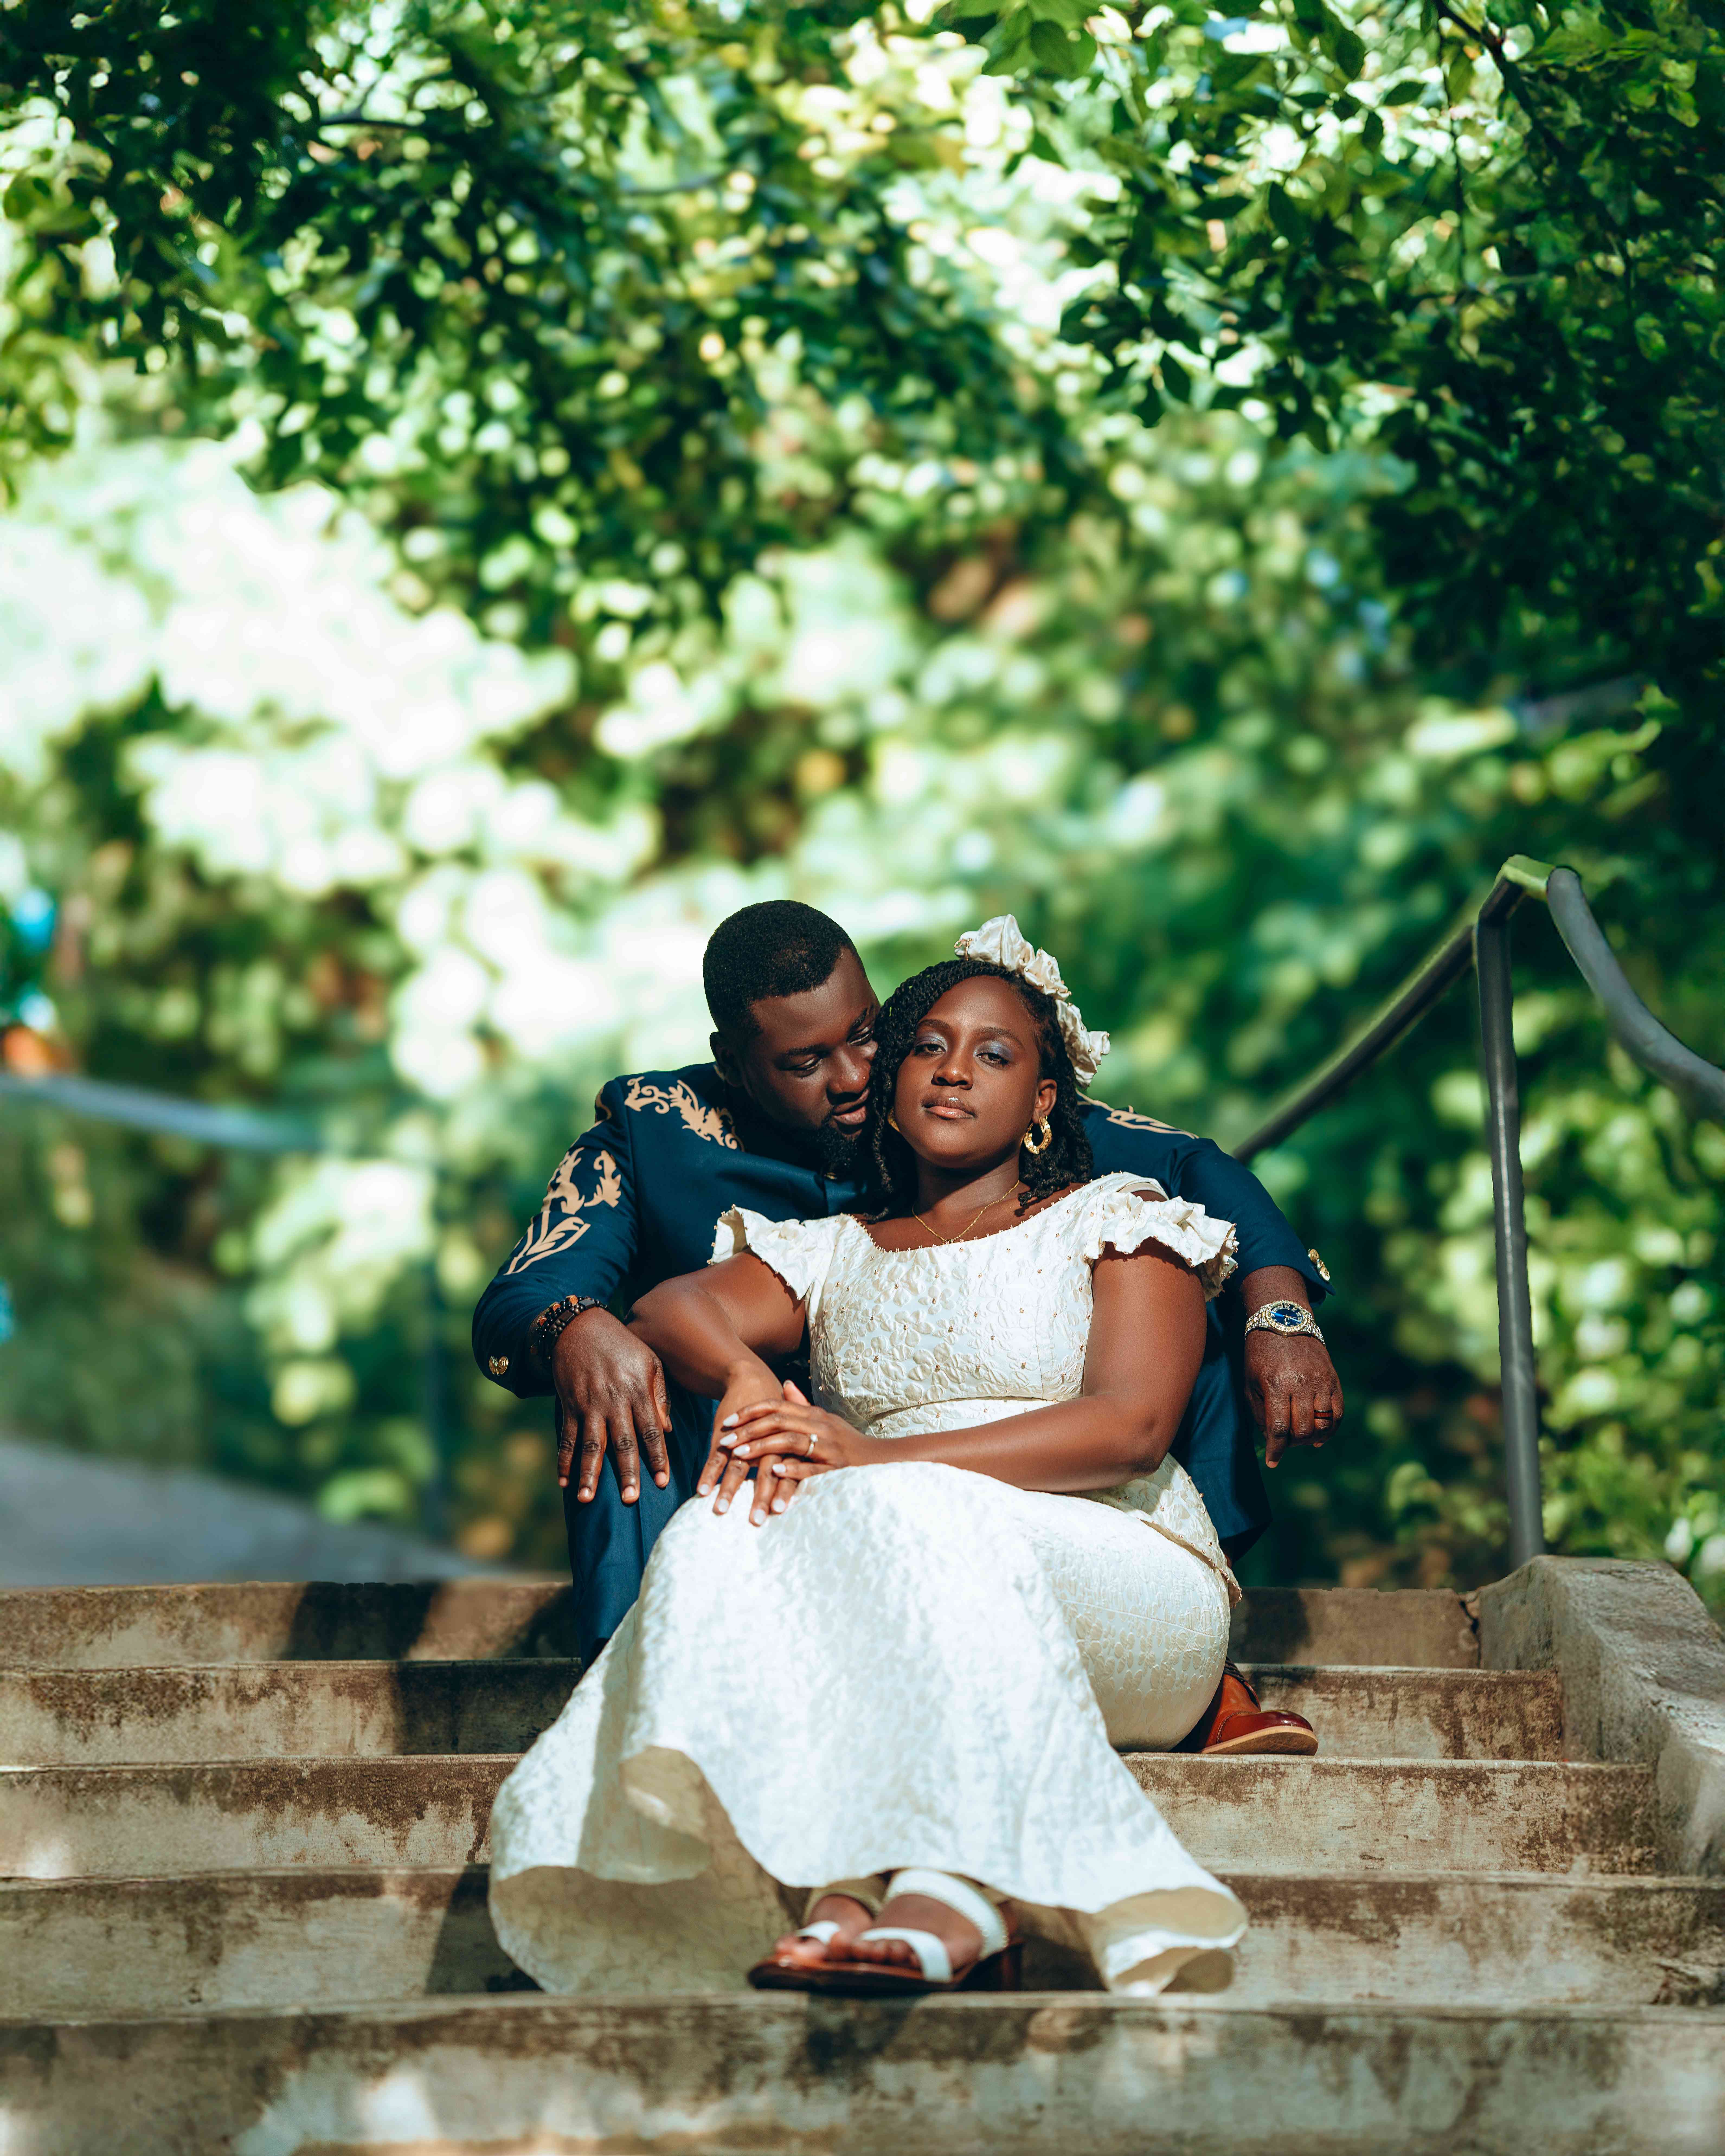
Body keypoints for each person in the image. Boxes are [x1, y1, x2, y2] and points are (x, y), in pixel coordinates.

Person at [487, 931, 1251, 1997]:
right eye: (928, 1046)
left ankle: (957, 1891)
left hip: (1121, 1574)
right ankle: (844, 1889)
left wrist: (877, 1457)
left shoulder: (1123, 1224)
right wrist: (751, 1385)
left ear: (1042, 1099)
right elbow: (671, 1308)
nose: (952, 1068)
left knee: (902, 1512)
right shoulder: (829, 1249)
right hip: (904, 1559)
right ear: (889, 1084)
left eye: (993, 1055)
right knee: (727, 1522)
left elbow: (1127, 1429)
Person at [473, 903, 1338, 1752]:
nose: (854, 1075)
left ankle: (1191, 1657)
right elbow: (529, 1291)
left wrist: (1280, 1311)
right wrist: (588, 1330)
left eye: (867, 1033)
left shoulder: (954, 1093)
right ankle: (635, 1670)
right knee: (616, 1363)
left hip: (1031, 1482)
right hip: (762, 1441)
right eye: (805, 1061)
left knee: (1172, 1280)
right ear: (732, 1066)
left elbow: (1192, 1164)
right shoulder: (652, 1126)